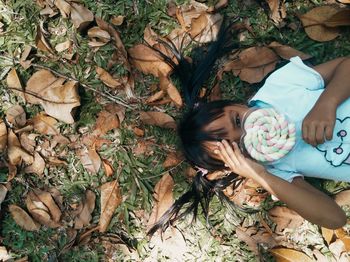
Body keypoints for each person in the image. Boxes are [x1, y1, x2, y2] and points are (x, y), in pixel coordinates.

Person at [147, 22, 350, 235]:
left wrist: (327, 103)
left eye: (237, 121)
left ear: (238, 104)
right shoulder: (274, 169)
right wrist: (261, 175)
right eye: (238, 145)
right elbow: (335, 218)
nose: (252, 132)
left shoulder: (280, 87)